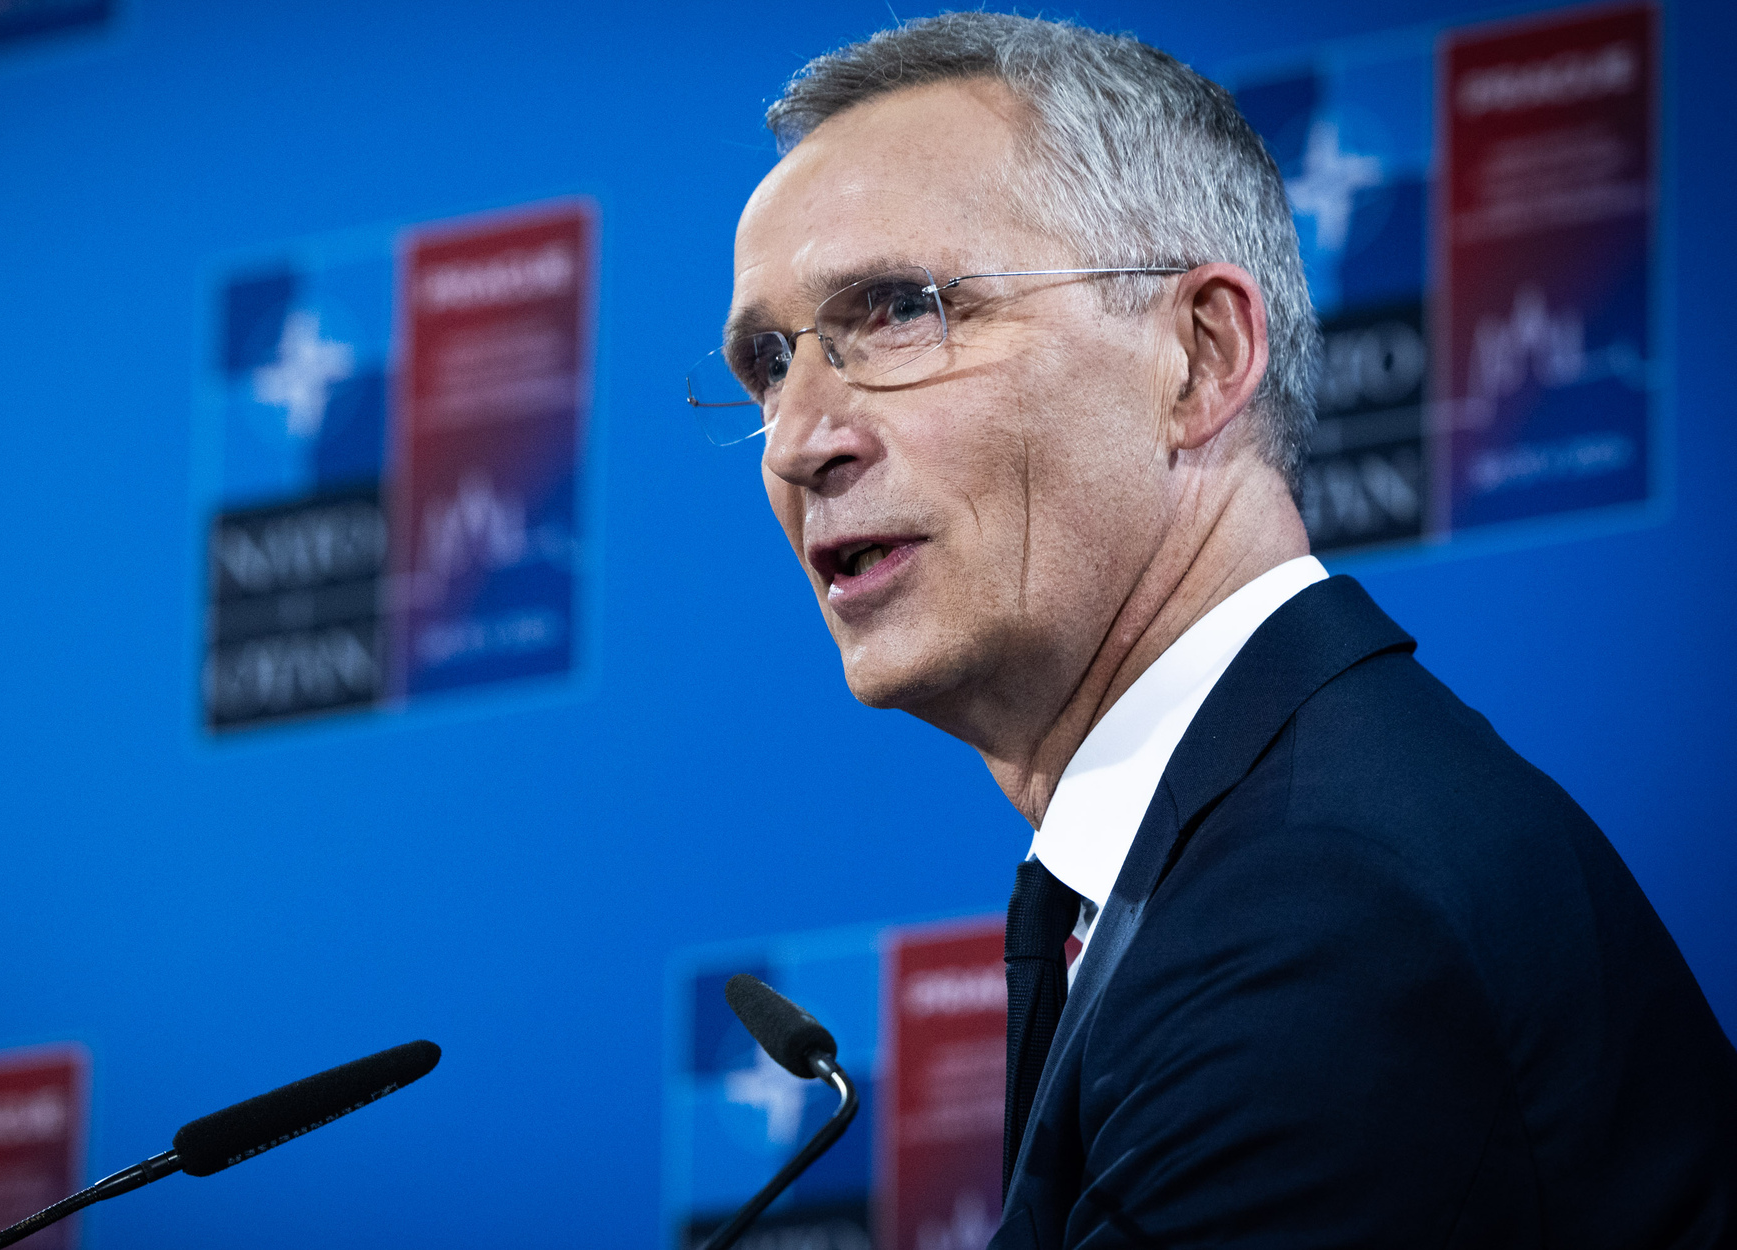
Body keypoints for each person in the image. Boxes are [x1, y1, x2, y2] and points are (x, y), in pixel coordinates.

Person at [690, 12, 1737, 1248]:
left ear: (1197, 358)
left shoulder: (1321, 912)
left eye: (898, 312)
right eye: (769, 364)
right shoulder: (1225, 851)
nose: (798, 440)